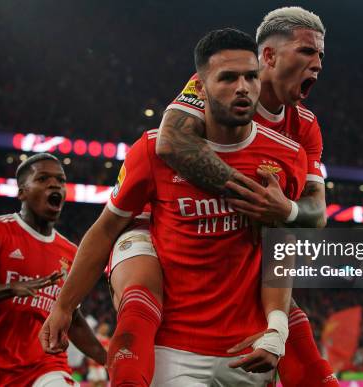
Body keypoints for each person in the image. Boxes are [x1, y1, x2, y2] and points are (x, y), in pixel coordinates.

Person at [40, 28, 307, 386]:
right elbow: (105, 230)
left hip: (249, 350)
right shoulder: (151, 153)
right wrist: (63, 305)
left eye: (251, 76)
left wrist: (276, 329)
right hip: (173, 351)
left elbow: (279, 248)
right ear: (200, 86)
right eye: (228, 78)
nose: (243, 87)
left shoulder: (288, 156)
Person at [158, 6, 338, 387]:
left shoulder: (304, 127)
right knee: (133, 255)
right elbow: (171, 141)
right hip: (173, 237)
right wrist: (251, 195)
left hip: (243, 258)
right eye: (307, 51)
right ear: (268, 56)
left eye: (321, 55)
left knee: (288, 334)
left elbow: (316, 212)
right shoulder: (218, 86)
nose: (318, 63)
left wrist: (284, 208)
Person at [0, 153, 106, 387]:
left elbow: (73, 319)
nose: (55, 184)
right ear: (22, 192)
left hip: (46, 366)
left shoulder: (71, 252)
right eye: (43, 178)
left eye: (60, 180)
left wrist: (111, 361)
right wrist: (12, 288)